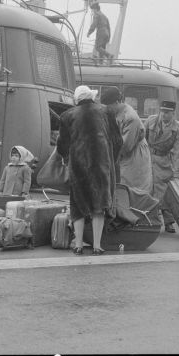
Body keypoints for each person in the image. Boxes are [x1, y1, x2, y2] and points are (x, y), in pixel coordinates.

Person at [57, 85, 122, 256]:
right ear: (91, 97)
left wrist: (66, 158)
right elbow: (117, 140)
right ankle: (97, 245)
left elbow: (62, 144)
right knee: (98, 205)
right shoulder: (106, 112)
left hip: (78, 164)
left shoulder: (67, 115)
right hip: (101, 164)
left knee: (77, 205)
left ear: (77, 99)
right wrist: (111, 160)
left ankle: (78, 245)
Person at [100, 86, 152, 192]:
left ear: (117, 102)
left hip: (134, 156)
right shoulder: (115, 113)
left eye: (108, 107)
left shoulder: (130, 118)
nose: (106, 110)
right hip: (123, 155)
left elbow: (125, 147)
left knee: (130, 189)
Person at [144, 101, 179, 233]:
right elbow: (142, 140)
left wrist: (177, 174)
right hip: (148, 158)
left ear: (173, 113)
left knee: (165, 192)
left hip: (163, 161)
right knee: (147, 190)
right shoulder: (150, 121)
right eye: (162, 111)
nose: (164, 114)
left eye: (167, 112)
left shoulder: (177, 129)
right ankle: (149, 219)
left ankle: (169, 221)